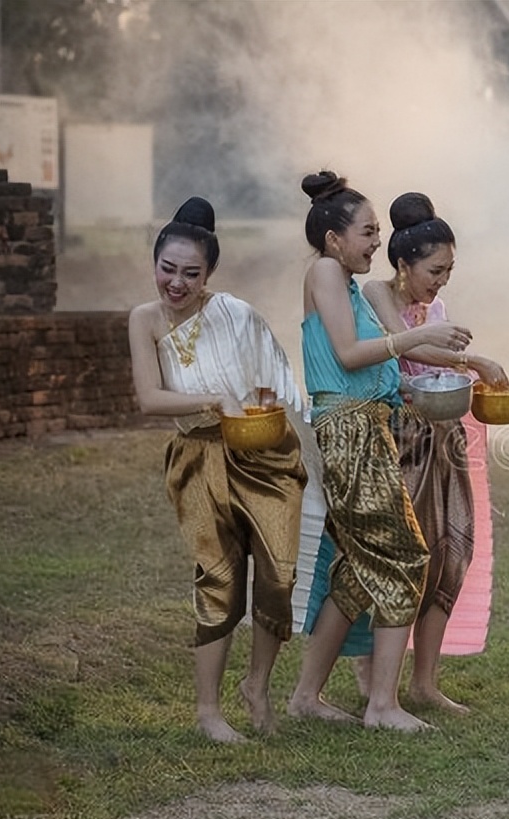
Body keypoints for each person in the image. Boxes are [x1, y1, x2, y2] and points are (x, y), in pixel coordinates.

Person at [301, 191, 506, 714]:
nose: (377, 241)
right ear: (334, 239)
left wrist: (428, 376)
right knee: (406, 556)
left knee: (364, 566)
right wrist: (430, 342)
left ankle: (310, 697)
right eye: (369, 231)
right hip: (355, 429)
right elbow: (351, 355)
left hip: (371, 425)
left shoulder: (343, 282)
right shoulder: (331, 274)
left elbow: (382, 368)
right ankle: (381, 702)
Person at [127, 197, 307, 743]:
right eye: (167, 269)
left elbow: (272, 379)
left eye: (191, 273)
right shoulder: (145, 320)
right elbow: (149, 398)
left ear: (208, 275)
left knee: (278, 575)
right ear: (154, 263)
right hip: (200, 458)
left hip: (264, 452)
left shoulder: (235, 314)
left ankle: (257, 686)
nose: (176, 283)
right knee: (220, 577)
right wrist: (214, 402)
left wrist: (259, 405)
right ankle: (208, 711)